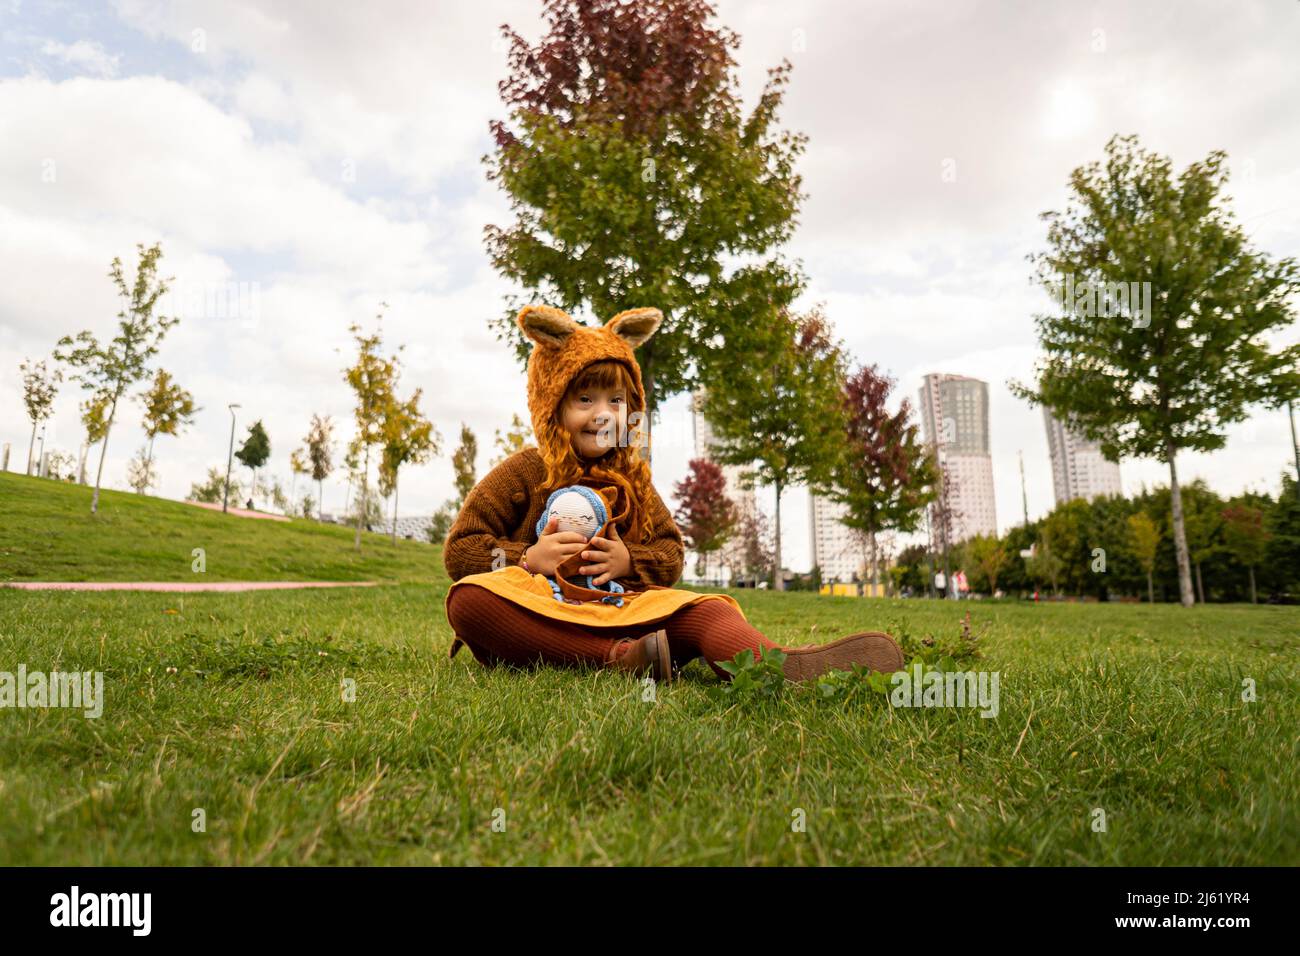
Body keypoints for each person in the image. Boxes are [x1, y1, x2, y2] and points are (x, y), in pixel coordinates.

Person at [443, 305, 904, 684]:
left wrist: (628, 563)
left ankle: (782, 668)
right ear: (553, 405)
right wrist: (527, 559)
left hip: (628, 609)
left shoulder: (635, 480)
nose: (603, 414)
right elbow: (462, 547)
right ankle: (617, 658)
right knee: (469, 600)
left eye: (617, 401)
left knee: (704, 611)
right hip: (542, 612)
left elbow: (670, 553)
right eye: (585, 400)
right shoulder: (526, 471)